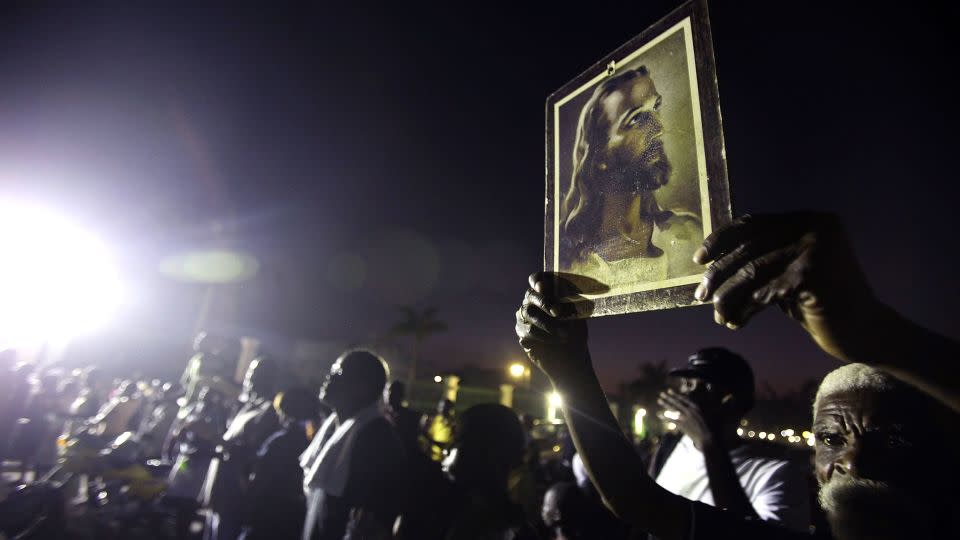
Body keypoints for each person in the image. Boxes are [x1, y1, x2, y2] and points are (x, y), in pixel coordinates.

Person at [515, 212, 960, 539]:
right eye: (830, 439)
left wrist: (876, 334)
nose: (854, 461)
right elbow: (635, 498)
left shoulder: (775, 474)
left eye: (893, 441)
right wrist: (568, 368)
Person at [650, 347, 810, 531]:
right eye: (687, 384)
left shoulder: (777, 476)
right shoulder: (671, 445)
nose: (688, 394)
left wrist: (709, 444)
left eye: (706, 387)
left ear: (732, 402)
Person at [561, 65, 675, 267]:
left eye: (656, 107)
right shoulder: (576, 264)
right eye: (636, 119)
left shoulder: (688, 234)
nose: (659, 128)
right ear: (600, 156)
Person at [300, 349, 405, 540]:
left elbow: (368, 519)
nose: (328, 377)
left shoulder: (376, 438)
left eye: (338, 372)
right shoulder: (333, 429)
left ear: (362, 386)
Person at [396, 403, 539, 540]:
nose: (447, 450)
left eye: (456, 440)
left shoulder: (429, 513)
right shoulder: (517, 526)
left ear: (477, 453)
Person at [241, 387, 320, 540]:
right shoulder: (314, 444)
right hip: (295, 517)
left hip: (268, 514)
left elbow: (260, 478)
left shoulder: (279, 442)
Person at [383, 380, 423, 456]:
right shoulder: (382, 415)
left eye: (394, 392)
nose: (389, 394)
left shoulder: (410, 417)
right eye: (388, 391)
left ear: (401, 395)